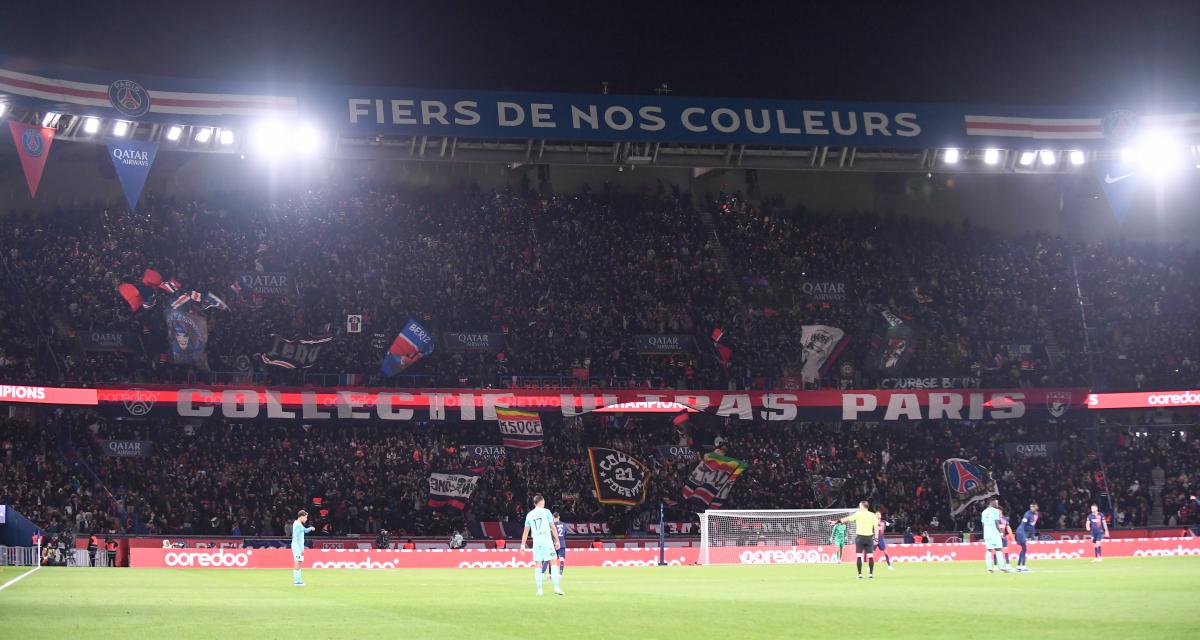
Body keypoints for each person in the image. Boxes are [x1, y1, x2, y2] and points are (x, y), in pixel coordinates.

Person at [520, 494, 563, 596]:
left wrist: (522, 545)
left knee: (538, 565)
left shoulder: (529, 515)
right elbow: (553, 527)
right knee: (553, 563)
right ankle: (556, 587)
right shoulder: (546, 512)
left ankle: (539, 590)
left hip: (537, 542)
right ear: (542, 502)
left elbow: (525, 532)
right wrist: (557, 540)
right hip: (547, 540)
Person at [835, 501, 880, 579]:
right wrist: (876, 538)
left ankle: (859, 574)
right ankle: (870, 574)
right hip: (869, 538)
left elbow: (846, 519)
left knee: (859, 556)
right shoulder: (873, 515)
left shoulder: (858, 514)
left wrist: (836, 522)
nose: (859, 507)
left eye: (859, 506)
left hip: (860, 538)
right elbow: (876, 528)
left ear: (862, 506)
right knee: (870, 556)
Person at [981, 499, 1009, 573]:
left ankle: (989, 569)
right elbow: (996, 522)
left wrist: (985, 533)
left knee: (988, 550)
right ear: (991, 503)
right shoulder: (995, 511)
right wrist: (1000, 533)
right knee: (998, 549)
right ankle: (1002, 568)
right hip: (994, 533)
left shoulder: (984, 512)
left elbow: (983, 524)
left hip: (987, 533)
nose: (997, 504)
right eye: (996, 503)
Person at [292, 509, 315, 586]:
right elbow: (305, 530)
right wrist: (311, 528)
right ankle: (296, 581)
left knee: (299, 562)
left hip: (298, 546)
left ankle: (298, 580)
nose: (306, 519)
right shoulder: (298, 524)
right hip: (297, 546)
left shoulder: (297, 523)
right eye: (305, 517)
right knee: (298, 562)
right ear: (301, 516)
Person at [1014, 502, 1039, 573]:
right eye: (1031, 507)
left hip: (1025, 533)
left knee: (1023, 549)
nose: (1031, 508)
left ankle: (1019, 567)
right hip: (1021, 532)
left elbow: (1032, 526)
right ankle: (1023, 567)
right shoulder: (1027, 514)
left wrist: (1032, 536)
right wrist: (1024, 536)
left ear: (1036, 508)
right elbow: (1022, 525)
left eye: (1033, 507)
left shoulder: (1036, 515)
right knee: (1024, 549)